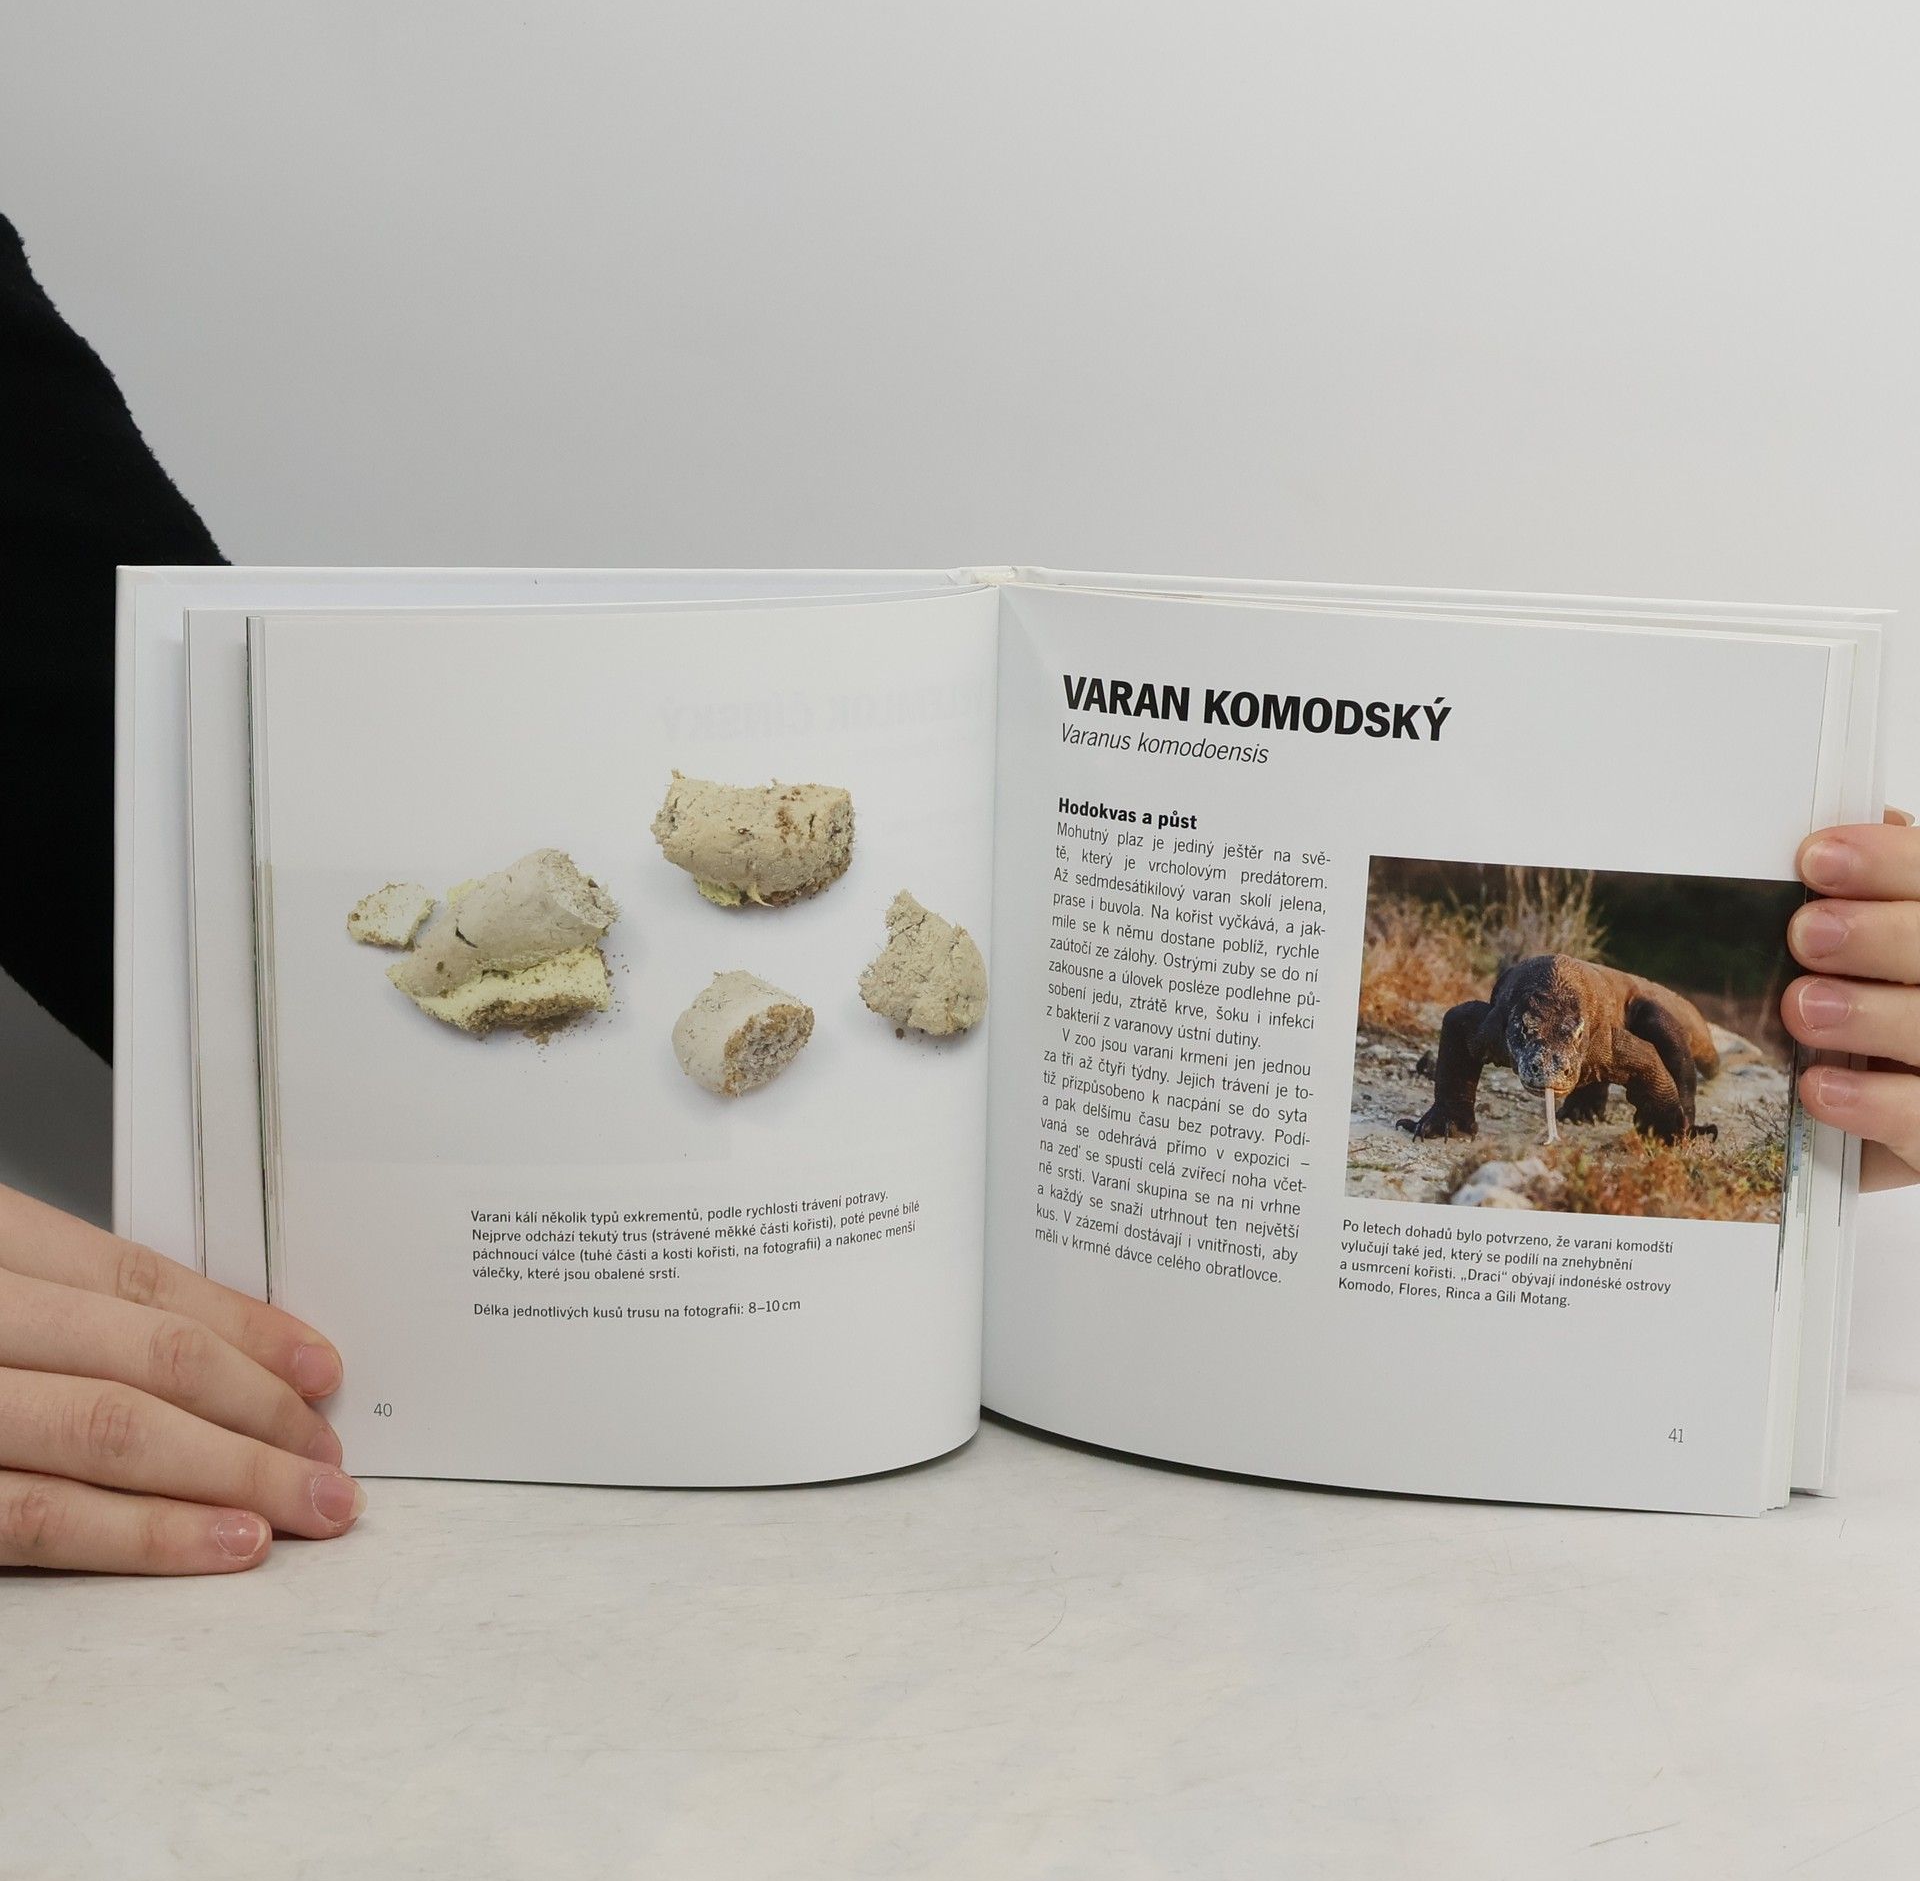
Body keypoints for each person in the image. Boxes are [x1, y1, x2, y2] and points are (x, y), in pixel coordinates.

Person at [1, 219, 1914, 1574]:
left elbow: (128, 842)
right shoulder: (1478, 1020)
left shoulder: (1608, 1023)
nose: (1520, 1046)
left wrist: (1828, 1042)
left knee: (1669, 1077)